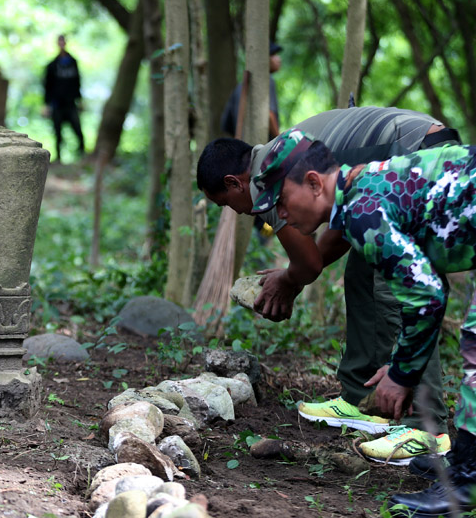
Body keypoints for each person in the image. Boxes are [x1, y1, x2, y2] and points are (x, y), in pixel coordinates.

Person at [196, 106, 461, 470]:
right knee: (362, 270)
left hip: (416, 151)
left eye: (226, 203)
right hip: (419, 143)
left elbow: (309, 263)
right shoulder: (284, 163)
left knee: (394, 286)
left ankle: (426, 428)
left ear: (233, 183)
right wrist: (293, 277)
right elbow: (342, 237)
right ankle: (360, 396)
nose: (238, 212)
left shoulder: (269, 177)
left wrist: (288, 281)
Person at [250, 129, 476, 517]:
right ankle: (467, 462)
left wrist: (402, 375)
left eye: (283, 202)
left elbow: (426, 295)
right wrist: (403, 364)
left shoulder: (362, 211)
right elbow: (427, 286)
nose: (281, 216)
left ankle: (467, 481)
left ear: (314, 182)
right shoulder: (364, 186)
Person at [220, 42, 283, 139]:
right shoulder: (266, 80)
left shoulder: (239, 87)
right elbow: (269, 114)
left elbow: (226, 125)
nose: (279, 59)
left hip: (244, 146)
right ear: (264, 59)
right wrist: (279, 138)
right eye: (273, 55)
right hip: (261, 147)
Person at [43, 34, 85, 162]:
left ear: (65, 43)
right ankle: (58, 158)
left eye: (63, 42)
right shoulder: (52, 65)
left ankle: (82, 155)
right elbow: (47, 86)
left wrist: (80, 101)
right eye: (59, 42)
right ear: (57, 44)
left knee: (77, 130)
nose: (61, 44)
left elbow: (77, 82)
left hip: (71, 103)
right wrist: (46, 105)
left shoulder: (73, 62)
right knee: (57, 132)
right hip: (57, 104)